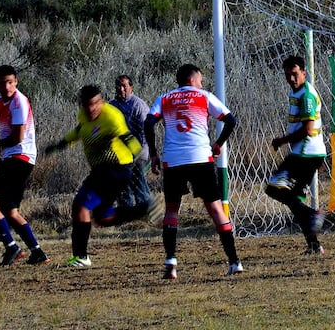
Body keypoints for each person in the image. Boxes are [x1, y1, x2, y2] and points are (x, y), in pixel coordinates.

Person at [145, 63, 242, 280]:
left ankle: (171, 261)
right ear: (192, 80)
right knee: (216, 210)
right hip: (200, 157)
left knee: (171, 211)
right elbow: (230, 120)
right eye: (200, 79)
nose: (202, 83)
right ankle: (234, 261)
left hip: (173, 160)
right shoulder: (203, 96)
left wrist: (153, 154)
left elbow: (149, 123)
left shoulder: (165, 98)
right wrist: (218, 144)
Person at [45, 85, 146, 268]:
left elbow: (127, 138)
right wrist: (59, 145)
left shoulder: (112, 117)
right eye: (86, 105)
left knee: (81, 205)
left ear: (102, 102)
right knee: (101, 217)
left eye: (94, 104)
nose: (90, 109)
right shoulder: (84, 115)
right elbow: (79, 131)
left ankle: (81, 257)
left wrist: (140, 160)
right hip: (102, 171)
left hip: (116, 169)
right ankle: (142, 209)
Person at [0, 64, 49, 266]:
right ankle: (38, 253)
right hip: (17, 158)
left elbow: (18, 137)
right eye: (2, 83)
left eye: (10, 82)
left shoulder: (19, 102)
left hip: (21, 157)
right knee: (10, 210)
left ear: (16, 82)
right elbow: (7, 132)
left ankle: (12, 247)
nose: (7, 86)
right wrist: (2, 153)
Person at [265, 55, 327, 254]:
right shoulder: (297, 92)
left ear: (304, 73)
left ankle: (313, 214)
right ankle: (314, 245)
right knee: (295, 200)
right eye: (287, 75)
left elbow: (308, 129)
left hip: (305, 153)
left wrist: (282, 140)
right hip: (309, 154)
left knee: (274, 187)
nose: (291, 78)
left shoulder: (306, 95)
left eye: (295, 74)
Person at [110, 75, 152, 213]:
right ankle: (126, 211)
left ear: (131, 87)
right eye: (118, 86)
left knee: (137, 181)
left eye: (124, 86)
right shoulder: (112, 106)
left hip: (138, 152)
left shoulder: (138, 105)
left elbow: (145, 130)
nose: (121, 89)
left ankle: (145, 211)